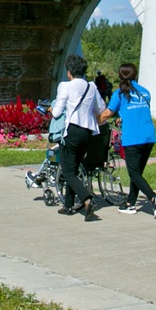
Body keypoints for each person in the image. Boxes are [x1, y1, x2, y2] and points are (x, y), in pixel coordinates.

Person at [100, 62, 156, 218]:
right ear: (135, 75)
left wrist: (93, 121)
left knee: (134, 173)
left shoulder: (119, 93)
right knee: (137, 173)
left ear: (120, 75)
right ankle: (130, 203)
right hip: (148, 136)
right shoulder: (145, 92)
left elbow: (107, 113)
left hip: (133, 138)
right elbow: (137, 111)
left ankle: (154, 198)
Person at [50, 54, 104, 219]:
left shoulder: (65, 86)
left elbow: (58, 112)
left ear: (69, 72)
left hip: (72, 131)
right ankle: (68, 205)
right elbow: (101, 109)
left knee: (68, 171)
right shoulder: (92, 87)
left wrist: (50, 110)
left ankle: (87, 199)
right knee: (73, 168)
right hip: (88, 132)